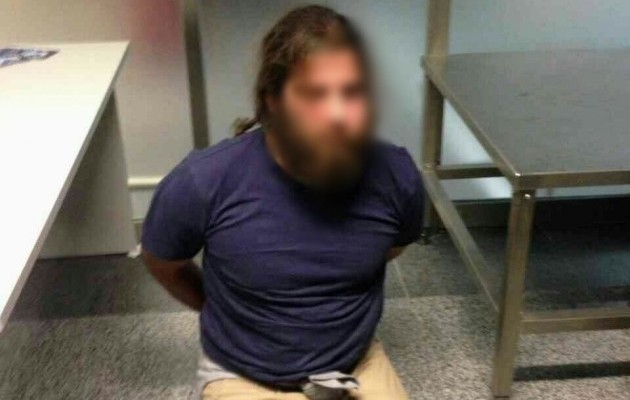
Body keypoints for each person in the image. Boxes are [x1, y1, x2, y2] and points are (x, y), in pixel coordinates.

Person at [141, 5, 423, 400]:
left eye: (351, 92)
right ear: (272, 99)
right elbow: (163, 263)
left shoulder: (395, 174)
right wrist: (224, 310)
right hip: (243, 373)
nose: (338, 113)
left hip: (354, 363)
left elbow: (391, 247)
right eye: (314, 94)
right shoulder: (203, 180)